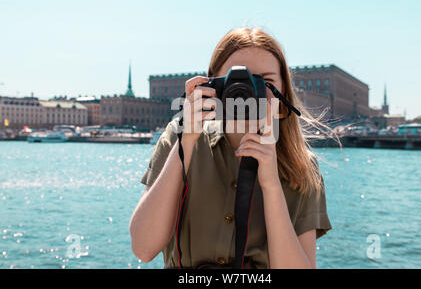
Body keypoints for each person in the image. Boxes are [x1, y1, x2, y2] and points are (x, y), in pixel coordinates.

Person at [129, 27, 333, 269]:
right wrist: (184, 146)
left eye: (265, 82)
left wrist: (271, 185)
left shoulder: (302, 165)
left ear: (283, 91)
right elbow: (143, 248)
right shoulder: (178, 137)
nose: (247, 92)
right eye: (238, 81)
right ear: (212, 85)